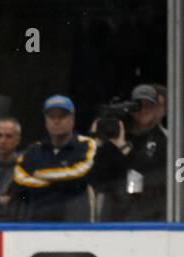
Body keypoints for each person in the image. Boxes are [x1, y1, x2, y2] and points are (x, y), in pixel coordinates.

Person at [11, 94, 126, 222]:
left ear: (72, 120)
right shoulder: (34, 150)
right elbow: (19, 180)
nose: (57, 121)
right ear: (46, 121)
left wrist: (39, 174)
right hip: (39, 227)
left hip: (78, 226)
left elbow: (81, 173)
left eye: (62, 116)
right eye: (52, 116)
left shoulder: (87, 145)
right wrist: (63, 182)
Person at [120, 83, 168, 221]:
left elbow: (183, 179)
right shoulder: (121, 136)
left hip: (155, 215)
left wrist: (124, 149)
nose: (143, 110)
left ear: (156, 108)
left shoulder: (169, 142)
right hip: (121, 213)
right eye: (138, 106)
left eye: (149, 106)